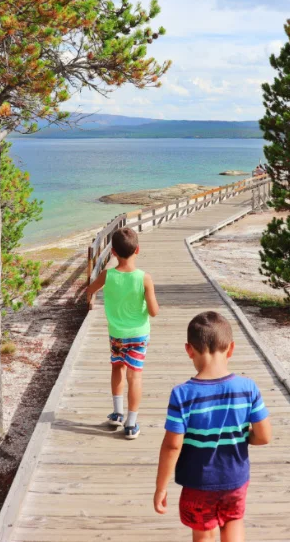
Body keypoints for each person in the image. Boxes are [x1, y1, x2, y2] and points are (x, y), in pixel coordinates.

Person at [153, 311, 272, 542]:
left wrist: (161, 487)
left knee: (204, 533)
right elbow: (264, 436)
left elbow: (172, 446)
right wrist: (243, 436)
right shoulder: (248, 388)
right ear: (231, 348)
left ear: (189, 350)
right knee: (233, 523)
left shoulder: (183, 394)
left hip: (199, 483)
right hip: (235, 479)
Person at [85, 227, 159, 439]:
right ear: (138, 249)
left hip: (116, 334)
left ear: (114, 253)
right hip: (138, 334)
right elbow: (154, 312)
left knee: (117, 368)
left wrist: (96, 298)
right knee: (134, 376)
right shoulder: (144, 278)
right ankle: (131, 424)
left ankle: (117, 413)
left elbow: (90, 290)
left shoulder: (107, 275)